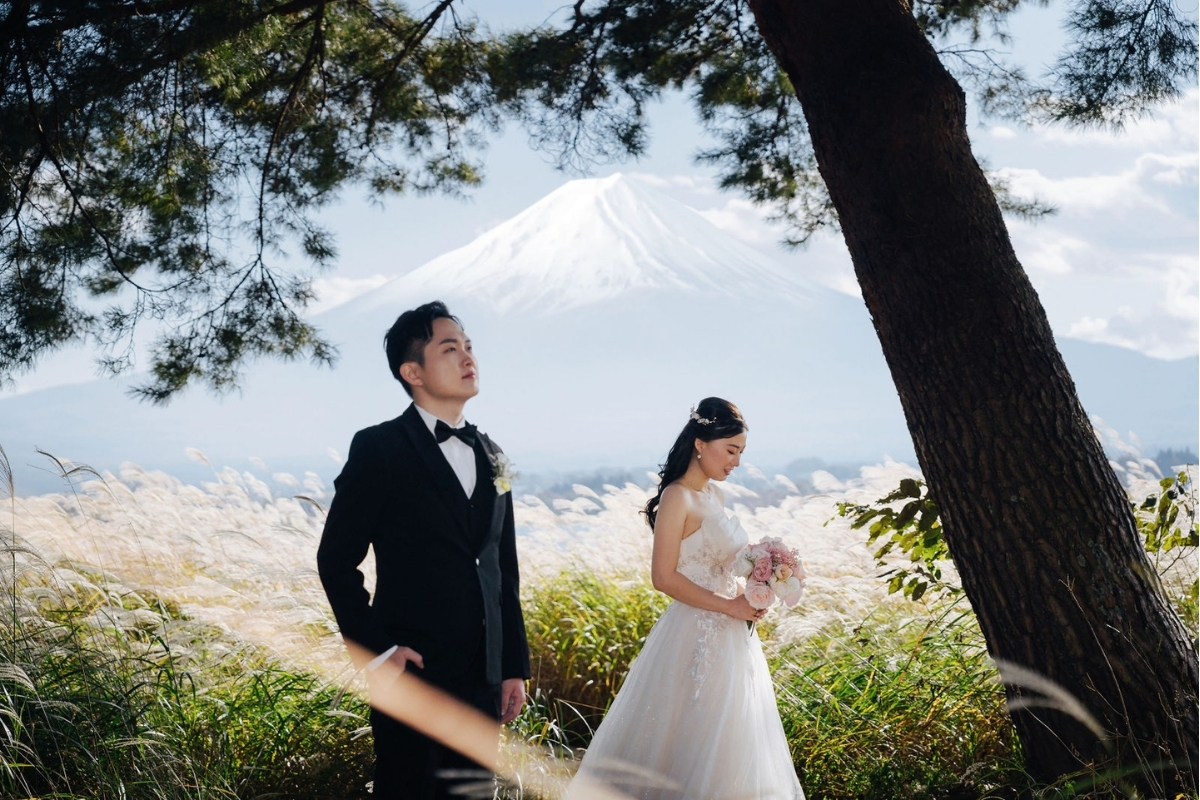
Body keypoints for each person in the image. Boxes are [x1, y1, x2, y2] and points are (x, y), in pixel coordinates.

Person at [316, 301, 530, 799]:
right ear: (412, 371)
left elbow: (504, 567)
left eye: (469, 346)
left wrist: (513, 664)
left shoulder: (495, 453)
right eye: (449, 348)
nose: (467, 357)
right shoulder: (378, 447)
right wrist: (378, 652)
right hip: (412, 673)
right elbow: (335, 559)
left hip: (485, 677)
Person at [569, 397, 805, 800]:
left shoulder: (716, 496)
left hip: (733, 638)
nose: (736, 462)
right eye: (730, 450)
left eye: (741, 452)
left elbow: (724, 563)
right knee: (685, 738)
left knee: (733, 742)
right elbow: (663, 577)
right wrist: (730, 606)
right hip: (693, 634)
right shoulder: (676, 498)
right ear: (700, 442)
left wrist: (761, 577)